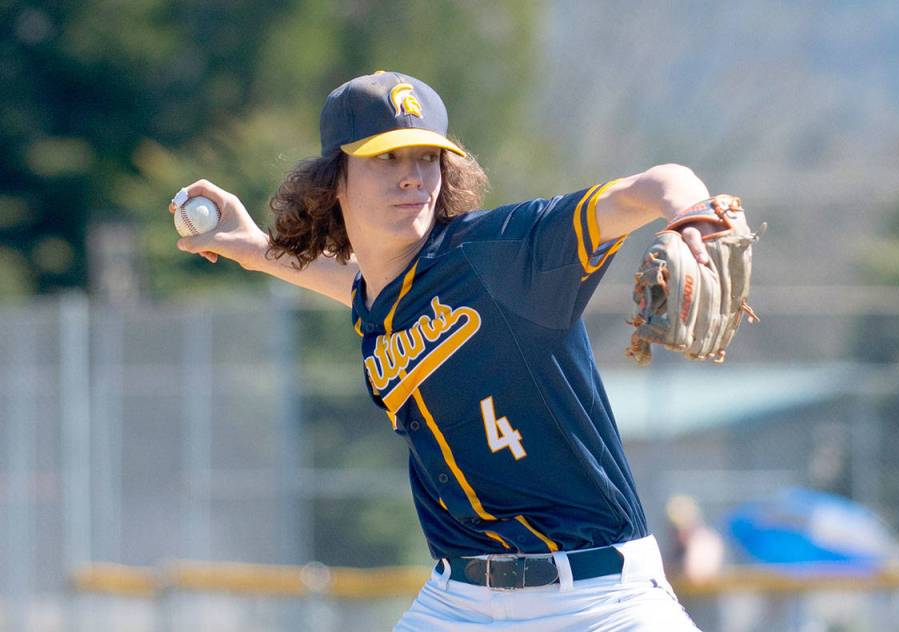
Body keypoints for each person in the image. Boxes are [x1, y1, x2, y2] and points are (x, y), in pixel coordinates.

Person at [170, 70, 727, 630]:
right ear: (332, 181)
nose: (413, 177)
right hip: (459, 602)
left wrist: (692, 214)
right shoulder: (385, 297)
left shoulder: (501, 256)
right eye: (386, 158)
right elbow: (360, 286)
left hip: (598, 596)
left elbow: (657, 183)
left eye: (427, 158)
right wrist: (252, 248)